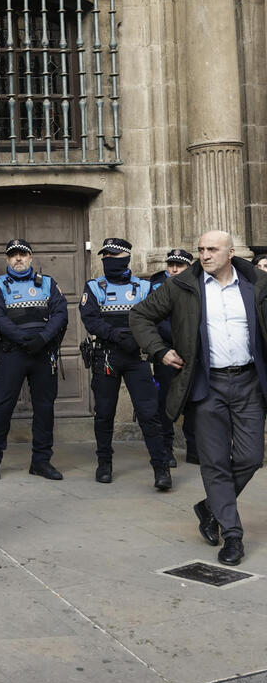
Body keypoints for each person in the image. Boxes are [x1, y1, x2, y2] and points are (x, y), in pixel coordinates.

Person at [131, 231, 267, 566]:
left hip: (249, 381)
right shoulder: (182, 287)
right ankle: (232, 534)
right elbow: (139, 315)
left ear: (231, 252)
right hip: (206, 385)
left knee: (251, 457)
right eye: (201, 250)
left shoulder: (257, 285)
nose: (204, 255)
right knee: (215, 461)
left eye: (212, 250)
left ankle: (210, 506)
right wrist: (160, 350)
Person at [79, 238, 172, 490]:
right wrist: (116, 335)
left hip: (137, 358)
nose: (108, 259)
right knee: (104, 414)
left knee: (149, 414)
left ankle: (161, 469)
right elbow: (90, 319)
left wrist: (137, 338)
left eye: (114, 255)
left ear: (127, 258)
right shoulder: (94, 286)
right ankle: (104, 464)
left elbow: (156, 316)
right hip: (106, 356)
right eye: (105, 255)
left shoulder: (145, 287)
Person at [0, 239, 68, 480]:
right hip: (12, 353)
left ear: (30, 258)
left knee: (44, 408)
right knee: (2, 405)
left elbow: (61, 313)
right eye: (13, 255)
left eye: (22, 254)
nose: (18, 258)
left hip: (42, 353)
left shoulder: (48, 283)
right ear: (7, 260)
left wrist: (43, 338)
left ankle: (41, 461)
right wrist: (23, 339)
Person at [150, 249, 198, 466]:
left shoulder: (199, 284)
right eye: (171, 265)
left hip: (195, 352)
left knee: (195, 400)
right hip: (169, 352)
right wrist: (180, 341)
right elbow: (157, 320)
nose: (174, 269)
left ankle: (195, 448)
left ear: (189, 267)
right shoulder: (158, 285)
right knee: (166, 401)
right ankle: (166, 450)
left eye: (180, 265)